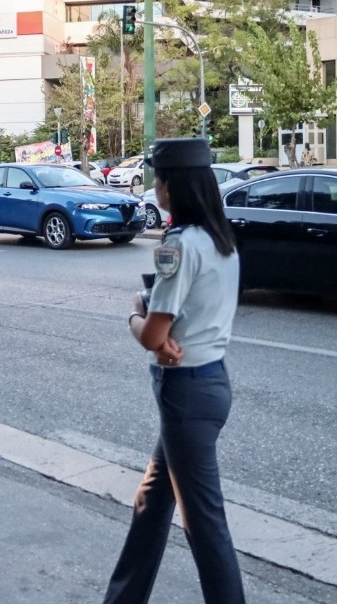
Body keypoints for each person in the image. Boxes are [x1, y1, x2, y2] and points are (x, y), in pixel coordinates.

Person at [103, 137, 245, 604]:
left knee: (203, 523)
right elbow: (180, 326)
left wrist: (134, 310)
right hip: (211, 382)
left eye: (158, 179)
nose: (154, 187)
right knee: (152, 498)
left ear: (172, 187)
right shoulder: (221, 238)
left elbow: (150, 334)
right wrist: (163, 337)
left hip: (185, 393)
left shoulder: (179, 246)